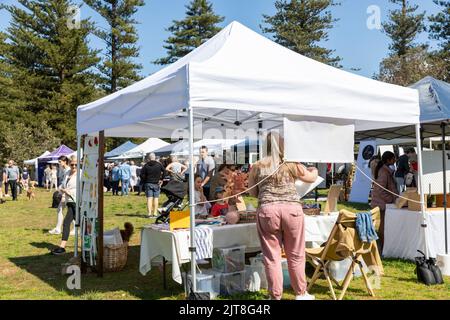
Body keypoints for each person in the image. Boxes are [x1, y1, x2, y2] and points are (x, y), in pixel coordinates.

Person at [248, 132, 318, 301]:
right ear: (283, 146)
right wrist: (314, 169)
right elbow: (311, 178)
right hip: (292, 210)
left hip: (268, 211)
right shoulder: (291, 163)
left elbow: (252, 192)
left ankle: (275, 297)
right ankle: (301, 293)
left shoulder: (257, 166)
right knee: (296, 254)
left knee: (272, 257)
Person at [371, 151, 398, 253]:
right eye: (393, 158)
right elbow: (380, 190)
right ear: (388, 160)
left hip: (381, 202)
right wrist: (391, 199)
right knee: (383, 225)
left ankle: (382, 246)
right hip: (382, 203)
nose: (395, 160)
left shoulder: (384, 170)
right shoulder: (383, 172)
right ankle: (382, 247)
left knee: (383, 224)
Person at [51, 156, 78, 255]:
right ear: (69, 164)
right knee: (66, 223)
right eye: (72, 164)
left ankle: (94, 245)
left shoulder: (82, 174)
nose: (74, 166)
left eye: (76, 164)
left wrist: (70, 192)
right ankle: (62, 248)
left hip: (77, 201)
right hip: (69, 201)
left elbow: (83, 188)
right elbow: (63, 185)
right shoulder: (67, 173)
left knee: (84, 225)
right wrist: (62, 189)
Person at [49, 156, 71, 235]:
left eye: (60, 162)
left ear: (65, 161)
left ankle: (59, 229)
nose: (59, 163)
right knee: (61, 210)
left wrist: (63, 193)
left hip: (68, 193)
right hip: (65, 192)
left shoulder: (68, 170)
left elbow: (67, 182)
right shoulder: (64, 170)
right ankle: (58, 228)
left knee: (70, 211)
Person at [141, 153, 165, 217]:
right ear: (155, 157)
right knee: (156, 198)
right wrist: (161, 179)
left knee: (149, 198)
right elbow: (164, 171)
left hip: (148, 183)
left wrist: (145, 180)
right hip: (156, 183)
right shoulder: (159, 165)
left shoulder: (146, 165)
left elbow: (141, 174)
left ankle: (149, 213)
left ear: (149, 158)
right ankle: (155, 213)